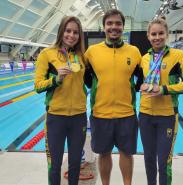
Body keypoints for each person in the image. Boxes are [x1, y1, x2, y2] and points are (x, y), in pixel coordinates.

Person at [85, 9, 143, 185]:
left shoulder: (134, 52)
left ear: (123, 27)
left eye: (118, 23)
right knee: (103, 153)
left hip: (127, 113)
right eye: (109, 23)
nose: (114, 27)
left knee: (127, 153)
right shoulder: (92, 52)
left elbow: (141, 79)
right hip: (100, 113)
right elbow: (86, 79)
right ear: (104, 27)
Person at [139, 18, 183, 185]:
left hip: (168, 116)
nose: (157, 37)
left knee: (164, 162)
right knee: (148, 159)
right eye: (153, 34)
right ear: (148, 36)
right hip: (145, 115)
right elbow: (138, 83)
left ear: (167, 34)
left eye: (161, 33)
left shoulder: (178, 56)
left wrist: (163, 89)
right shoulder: (144, 59)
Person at [34, 16, 88, 185]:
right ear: (61, 32)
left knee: (75, 165)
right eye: (68, 31)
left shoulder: (82, 56)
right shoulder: (47, 54)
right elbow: (38, 86)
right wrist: (56, 80)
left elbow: (88, 82)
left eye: (75, 32)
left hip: (78, 116)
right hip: (56, 117)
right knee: (55, 165)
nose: (71, 35)